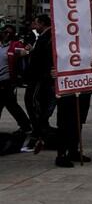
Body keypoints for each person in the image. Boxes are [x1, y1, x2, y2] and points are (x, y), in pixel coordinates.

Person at [23, 15, 55, 152]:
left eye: (36, 23)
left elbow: (42, 58)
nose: (35, 26)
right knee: (38, 104)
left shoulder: (47, 37)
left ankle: (39, 133)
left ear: (42, 23)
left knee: (34, 103)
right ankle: (41, 131)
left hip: (40, 78)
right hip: (40, 78)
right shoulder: (43, 37)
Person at [0, 25, 31, 134]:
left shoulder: (15, 46)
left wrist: (28, 50)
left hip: (7, 81)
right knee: (11, 105)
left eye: (10, 33)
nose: (7, 34)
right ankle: (26, 125)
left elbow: (25, 53)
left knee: (10, 104)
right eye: (5, 32)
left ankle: (26, 125)